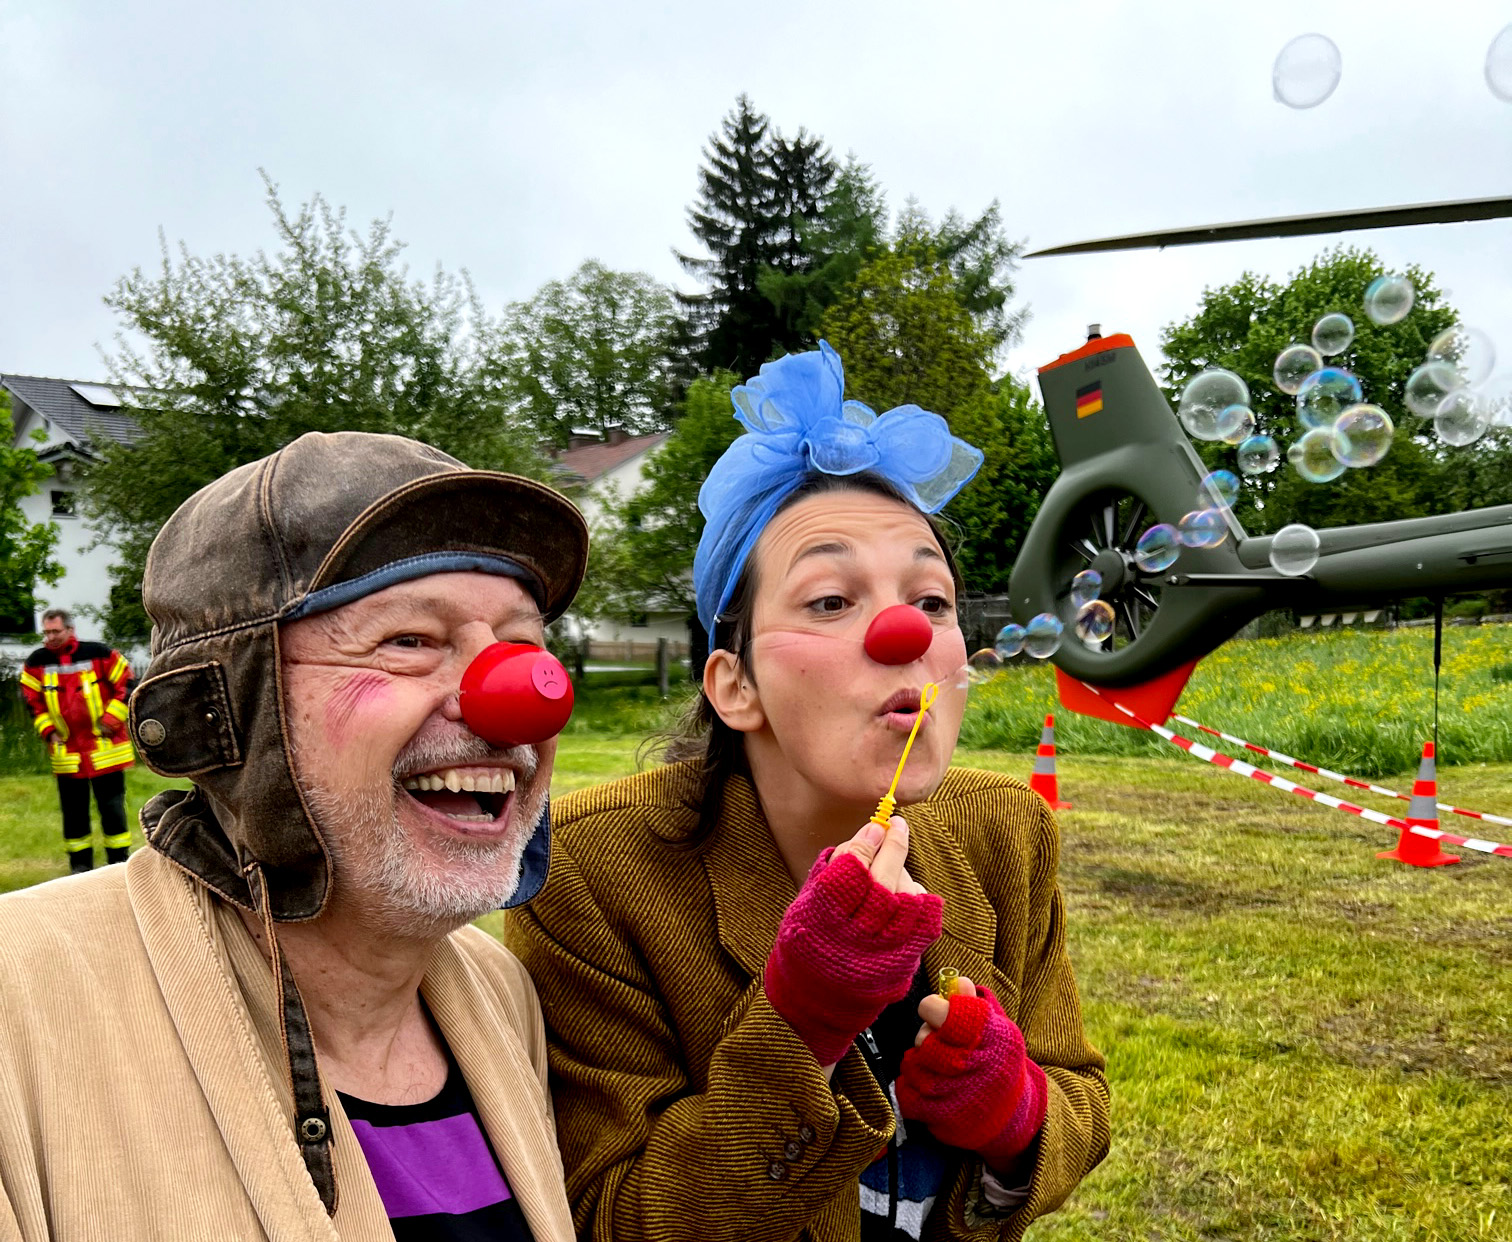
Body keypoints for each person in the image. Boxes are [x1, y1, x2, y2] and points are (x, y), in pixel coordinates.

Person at [508, 343, 1110, 1241]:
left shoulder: (1007, 830)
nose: (906, 633)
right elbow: (614, 1221)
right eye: (830, 600)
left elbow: (1079, 1098)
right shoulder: (593, 873)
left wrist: (1017, 1118)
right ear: (735, 686)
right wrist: (803, 1020)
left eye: (932, 600)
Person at [0, 431, 587, 1241]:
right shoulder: (15, 1005)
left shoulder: (501, 993)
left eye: (522, 646)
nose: (514, 700)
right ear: (227, 708)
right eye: (410, 641)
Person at [19, 608, 136, 871]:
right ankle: (79, 867)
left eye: (55, 631)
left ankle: (118, 864)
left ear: (70, 630)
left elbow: (127, 684)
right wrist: (49, 731)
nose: (50, 637)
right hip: (68, 754)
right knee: (73, 815)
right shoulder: (36, 662)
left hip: (106, 751)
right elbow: (31, 701)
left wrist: (111, 721)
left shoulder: (100, 653)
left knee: (112, 811)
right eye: (46, 632)